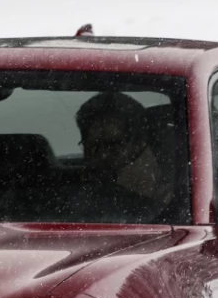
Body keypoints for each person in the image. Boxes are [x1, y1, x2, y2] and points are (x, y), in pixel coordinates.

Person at [76, 91, 179, 219]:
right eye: (94, 146)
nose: (103, 155)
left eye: (113, 145)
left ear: (139, 144)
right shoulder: (74, 192)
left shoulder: (172, 191)